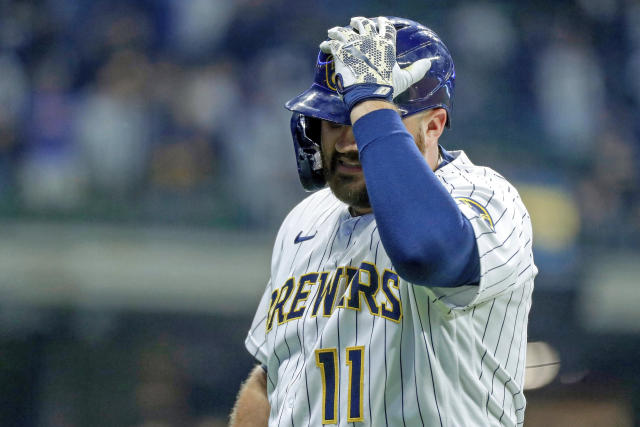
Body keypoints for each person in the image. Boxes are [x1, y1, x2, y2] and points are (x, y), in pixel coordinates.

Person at [230, 16, 536, 426]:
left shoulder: (485, 197)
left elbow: (425, 252)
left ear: (433, 125)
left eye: (366, 122)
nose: (347, 142)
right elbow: (270, 380)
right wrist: (371, 102)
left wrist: (369, 101)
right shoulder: (305, 220)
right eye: (336, 120)